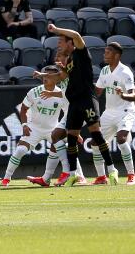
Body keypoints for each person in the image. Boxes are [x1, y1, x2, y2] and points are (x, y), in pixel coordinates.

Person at [49, 24, 118, 186]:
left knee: (96, 134)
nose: (59, 44)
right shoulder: (70, 61)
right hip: (74, 102)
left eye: (61, 41)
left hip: (87, 99)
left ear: (70, 43)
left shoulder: (81, 52)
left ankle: (112, 169)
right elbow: (61, 76)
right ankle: (73, 174)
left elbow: (77, 35)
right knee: (71, 138)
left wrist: (57, 29)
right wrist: (44, 75)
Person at [0, 64, 65, 187]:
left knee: (64, 150)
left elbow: (68, 113)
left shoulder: (61, 94)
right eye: (45, 74)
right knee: (20, 150)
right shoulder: (34, 92)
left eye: (50, 75)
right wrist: (24, 125)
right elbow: (23, 109)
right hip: (34, 128)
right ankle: (6, 178)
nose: (46, 77)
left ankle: (73, 176)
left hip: (53, 129)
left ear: (56, 78)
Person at [92, 41, 135, 185]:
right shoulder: (104, 70)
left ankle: (131, 175)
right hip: (109, 112)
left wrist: (123, 95)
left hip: (125, 110)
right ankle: (101, 177)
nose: (104, 54)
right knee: (95, 143)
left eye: (108, 52)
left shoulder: (125, 72)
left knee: (121, 139)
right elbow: (97, 92)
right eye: (105, 51)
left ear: (117, 55)